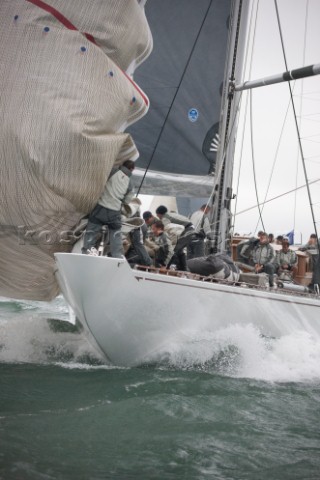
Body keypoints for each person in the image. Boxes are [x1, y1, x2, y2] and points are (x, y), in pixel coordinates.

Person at [82, 160, 135, 257]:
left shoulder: (112, 171)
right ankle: (117, 257)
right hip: (114, 213)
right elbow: (126, 201)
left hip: (100, 209)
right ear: (132, 169)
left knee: (91, 232)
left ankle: (88, 252)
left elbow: (99, 181)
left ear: (122, 165)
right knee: (116, 233)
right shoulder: (130, 184)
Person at [155, 205, 195, 270]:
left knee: (174, 250)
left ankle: (166, 267)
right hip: (190, 229)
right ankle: (184, 269)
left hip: (188, 230)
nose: (158, 217)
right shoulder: (170, 214)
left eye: (157, 215)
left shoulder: (165, 218)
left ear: (159, 214)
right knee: (180, 250)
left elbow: (166, 230)